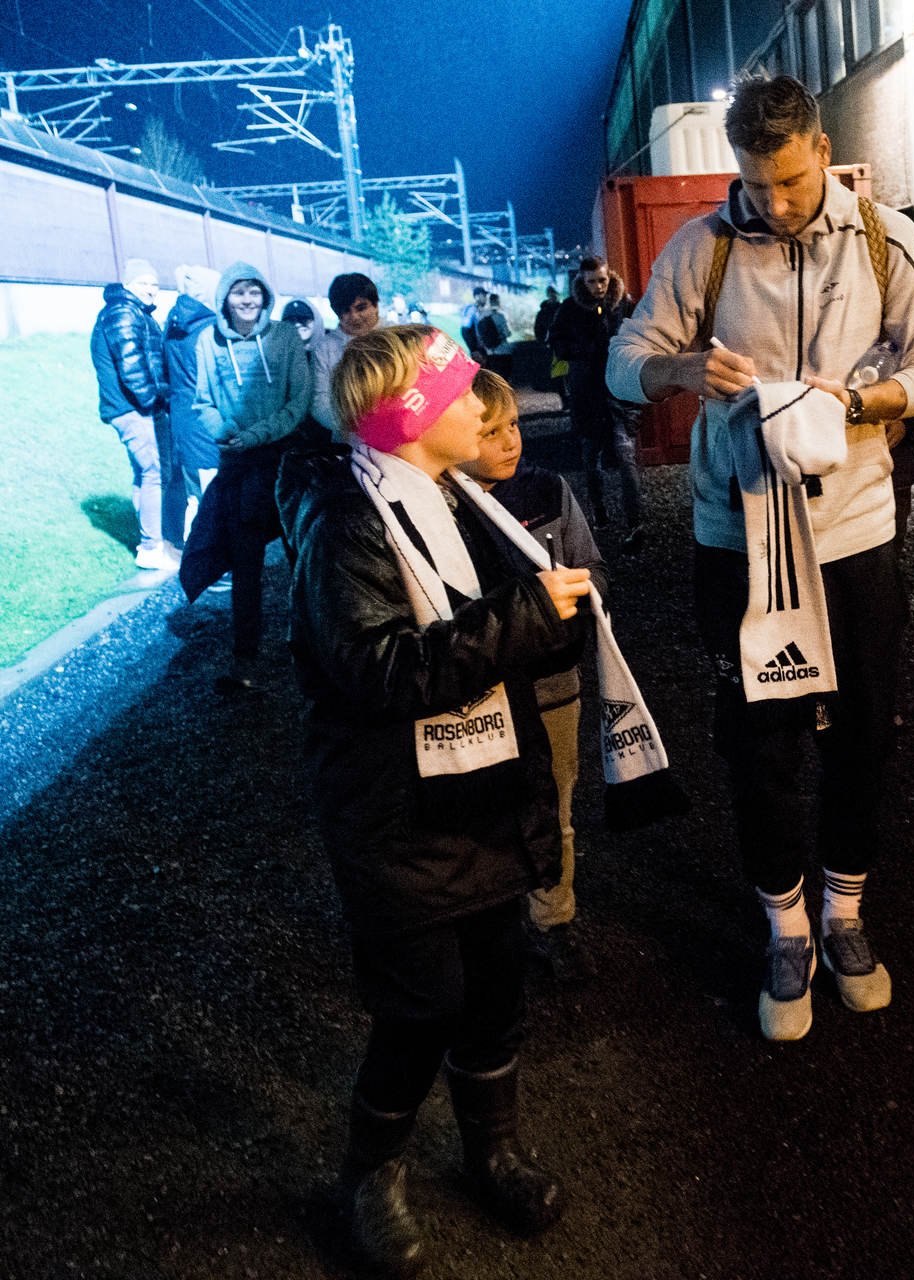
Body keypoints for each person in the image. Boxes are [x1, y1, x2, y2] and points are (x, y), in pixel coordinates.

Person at [608, 74, 914, 1041]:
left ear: (821, 148)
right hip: (739, 537)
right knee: (759, 746)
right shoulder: (702, 248)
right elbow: (621, 358)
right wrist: (679, 369)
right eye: (760, 187)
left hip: (854, 534)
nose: (780, 204)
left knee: (865, 733)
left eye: (794, 182)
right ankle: (785, 926)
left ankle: (845, 913)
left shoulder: (888, 239)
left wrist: (855, 404)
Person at [277, 325, 590, 1276]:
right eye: (462, 393)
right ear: (413, 421)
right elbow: (380, 672)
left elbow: (506, 632)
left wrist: (558, 621)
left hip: (484, 791)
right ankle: (370, 1174)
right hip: (398, 817)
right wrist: (527, 617)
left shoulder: (464, 503)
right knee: (423, 1005)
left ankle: (490, 1147)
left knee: (496, 984)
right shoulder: (347, 526)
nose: (482, 404)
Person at [457, 369, 607, 983]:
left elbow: (591, 567)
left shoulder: (548, 489)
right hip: (484, 694)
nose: (510, 441)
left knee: (557, 803)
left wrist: (572, 618)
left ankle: (553, 920)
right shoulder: (446, 510)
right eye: (489, 431)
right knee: (487, 809)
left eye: (514, 425)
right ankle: (493, 924)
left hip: (552, 684)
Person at [184, 261, 313, 691]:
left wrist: (259, 433)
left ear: (265, 296)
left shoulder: (284, 337)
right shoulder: (207, 340)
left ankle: (311, 648)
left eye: (254, 291)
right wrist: (226, 433)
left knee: (302, 560)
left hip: (285, 461)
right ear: (225, 297)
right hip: (238, 465)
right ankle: (246, 658)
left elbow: (300, 399)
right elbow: (201, 401)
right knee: (245, 565)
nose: (247, 300)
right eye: (238, 292)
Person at [548, 257, 640, 549]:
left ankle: (635, 521)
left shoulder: (624, 304)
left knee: (627, 458)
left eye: (602, 280)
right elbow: (556, 343)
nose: (599, 287)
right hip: (587, 393)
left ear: (609, 276)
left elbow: (642, 337)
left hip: (618, 393)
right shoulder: (570, 309)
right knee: (591, 459)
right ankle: (599, 512)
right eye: (592, 281)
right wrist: (583, 350)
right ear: (582, 282)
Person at [88, 258, 171, 570]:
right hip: (133, 409)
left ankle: (148, 540)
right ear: (127, 284)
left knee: (143, 473)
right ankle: (151, 548)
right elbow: (132, 366)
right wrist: (152, 401)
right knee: (154, 473)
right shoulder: (124, 312)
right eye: (142, 283)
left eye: (154, 283)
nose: (150, 289)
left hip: (127, 408)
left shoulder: (130, 311)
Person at [162, 264, 221, 550]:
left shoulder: (174, 324)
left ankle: (201, 557)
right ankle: (207, 563)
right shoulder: (208, 329)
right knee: (211, 495)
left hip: (184, 421)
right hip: (205, 425)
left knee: (198, 494)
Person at [310, 272, 382, 442]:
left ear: (376, 305)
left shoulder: (398, 337)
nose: (354, 317)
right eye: (345, 311)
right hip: (351, 443)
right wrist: (357, 428)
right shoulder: (324, 348)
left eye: (361, 307)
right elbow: (320, 401)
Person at [534, 286, 569, 411]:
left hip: (560, 346)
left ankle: (567, 400)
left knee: (562, 375)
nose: (553, 296)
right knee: (559, 375)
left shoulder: (556, 310)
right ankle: (565, 400)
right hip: (555, 347)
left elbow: (538, 329)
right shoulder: (558, 309)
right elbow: (538, 329)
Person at [477, 293, 513, 378]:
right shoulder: (500, 316)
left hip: (489, 351)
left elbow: (480, 333)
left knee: (494, 375)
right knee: (505, 374)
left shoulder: (481, 316)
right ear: (497, 301)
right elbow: (507, 333)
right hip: (503, 350)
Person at [460, 286, 487, 356]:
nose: (485, 298)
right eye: (483, 295)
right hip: (478, 350)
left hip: (484, 348)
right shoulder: (472, 310)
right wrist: (474, 350)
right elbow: (465, 330)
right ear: (477, 296)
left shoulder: (480, 310)